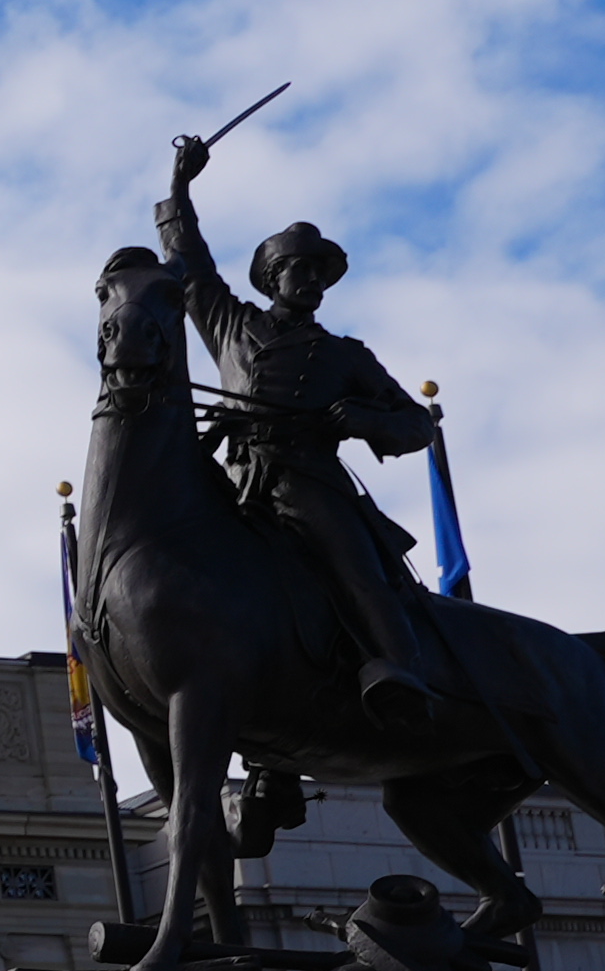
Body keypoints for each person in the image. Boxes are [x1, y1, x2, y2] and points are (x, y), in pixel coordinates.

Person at [160, 133, 447, 726]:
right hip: (237, 479)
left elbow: (416, 424)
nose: (312, 279)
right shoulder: (230, 323)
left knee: (355, 568)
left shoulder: (344, 355)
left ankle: (401, 669)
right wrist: (179, 189)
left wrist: (365, 419)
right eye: (299, 268)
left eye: (320, 271)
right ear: (272, 276)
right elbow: (189, 263)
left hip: (305, 479)